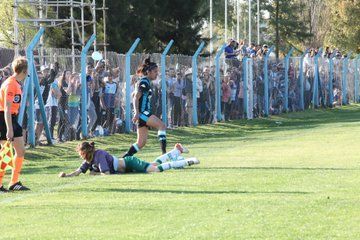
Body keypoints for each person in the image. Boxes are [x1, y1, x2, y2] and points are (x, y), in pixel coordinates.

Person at [58, 142, 199, 177]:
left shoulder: (99, 154)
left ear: (86, 152)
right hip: (127, 167)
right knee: (153, 164)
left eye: (80, 153)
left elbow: (106, 174)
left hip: (129, 162)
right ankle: (176, 151)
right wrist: (67, 176)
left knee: (155, 170)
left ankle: (186, 161)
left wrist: (93, 173)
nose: (80, 156)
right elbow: (78, 171)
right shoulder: (89, 160)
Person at [122, 57, 167, 157]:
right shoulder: (144, 82)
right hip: (143, 113)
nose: (157, 74)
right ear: (148, 72)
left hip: (142, 115)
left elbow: (135, 95)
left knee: (141, 143)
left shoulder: (145, 82)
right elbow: (135, 97)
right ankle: (164, 154)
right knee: (162, 126)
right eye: (155, 71)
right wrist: (137, 112)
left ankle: (124, 158)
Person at [0, 57, 30, 192]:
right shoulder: (10, 84)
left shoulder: (16, 83)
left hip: (11, 118)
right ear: (23, 70)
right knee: (11, 152)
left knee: (9, 152)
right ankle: (12, 182)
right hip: (5, 118)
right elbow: (6, 107)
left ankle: (12, 182)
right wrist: (9, 129)